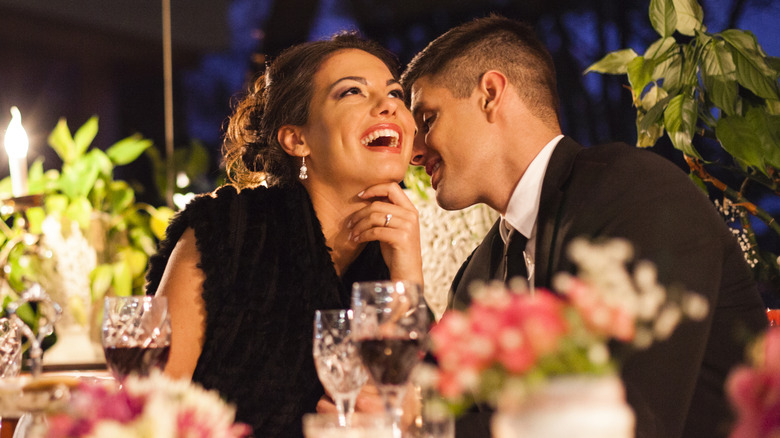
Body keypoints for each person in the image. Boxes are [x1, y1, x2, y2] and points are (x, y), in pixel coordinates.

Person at [401, 15, 767, 438]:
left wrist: (422, 423)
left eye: (427, 120)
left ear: (490, 93)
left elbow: (628, 419)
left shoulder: (634, 191)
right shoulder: (477, 272)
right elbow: (433, 399)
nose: (415, 151)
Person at [144, 33, 422, 438]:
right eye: (352, 93)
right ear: (297, 139)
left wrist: (407, 276)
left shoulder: (393, 248)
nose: (389, 105)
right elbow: (148, 409)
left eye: (396, 93)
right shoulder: (229, 232)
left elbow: (401, 411)